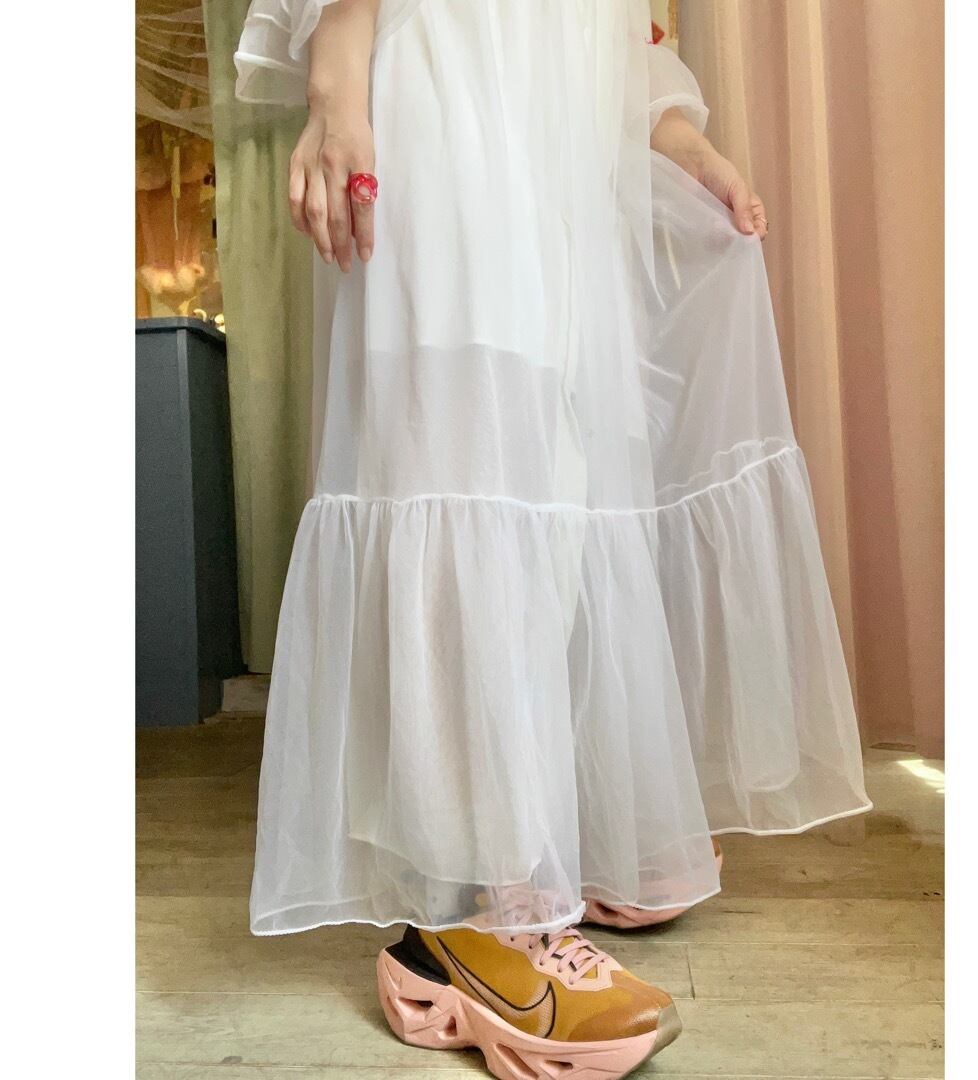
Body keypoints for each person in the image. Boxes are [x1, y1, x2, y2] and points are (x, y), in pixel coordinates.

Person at [234, 1, 871, 1076]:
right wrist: (338, 81)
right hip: (445, 80)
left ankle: (546, 844)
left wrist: (680, 140)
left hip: (555, 142)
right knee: (458, 463)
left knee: (552, 486)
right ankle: (477, 912)